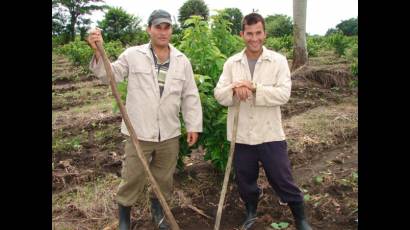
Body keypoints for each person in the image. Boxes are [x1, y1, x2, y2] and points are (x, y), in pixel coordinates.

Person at [86, 9, 203, 230]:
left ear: (171, 30)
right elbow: (110, 75)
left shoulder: (181, 60)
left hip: (169, 132)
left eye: (166, 27)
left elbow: (190, 94)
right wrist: (98, 52)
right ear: (149, 29)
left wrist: (193, 125)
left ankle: (158, 212)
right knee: (132, 177)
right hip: (138, 132)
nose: (162, 31)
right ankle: (124, 217)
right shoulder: (133, 55)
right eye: (158, 27)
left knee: (164, 177)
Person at [214, 13, 312, 230]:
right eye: (249, 33)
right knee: (245, 179)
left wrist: (254, 87)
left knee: (281, 178)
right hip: (241, 135)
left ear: (264, 34)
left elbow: (283, 94)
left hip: (270, 133)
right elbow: (219, 95)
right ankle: (250, 211)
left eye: (258, 33)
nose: (254, 38)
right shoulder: (232, 63)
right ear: (242, 35)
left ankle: (300, 218)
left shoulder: (277, 61)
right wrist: (233, 88)